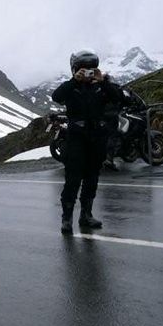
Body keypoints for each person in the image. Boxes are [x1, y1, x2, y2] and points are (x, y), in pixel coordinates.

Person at [52, 49, 128, 234]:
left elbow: (120, 99)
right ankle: (67, 218)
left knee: (92, 177)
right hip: (76, 138)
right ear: (75, 69)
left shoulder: (102, 86)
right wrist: (74, 81)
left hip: (97, 137)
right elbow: (57, 96)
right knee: (73, 179)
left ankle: (86, 215)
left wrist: (104, 82)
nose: (87, 72)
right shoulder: (71, 87)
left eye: (91, 68)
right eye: (83, 69)